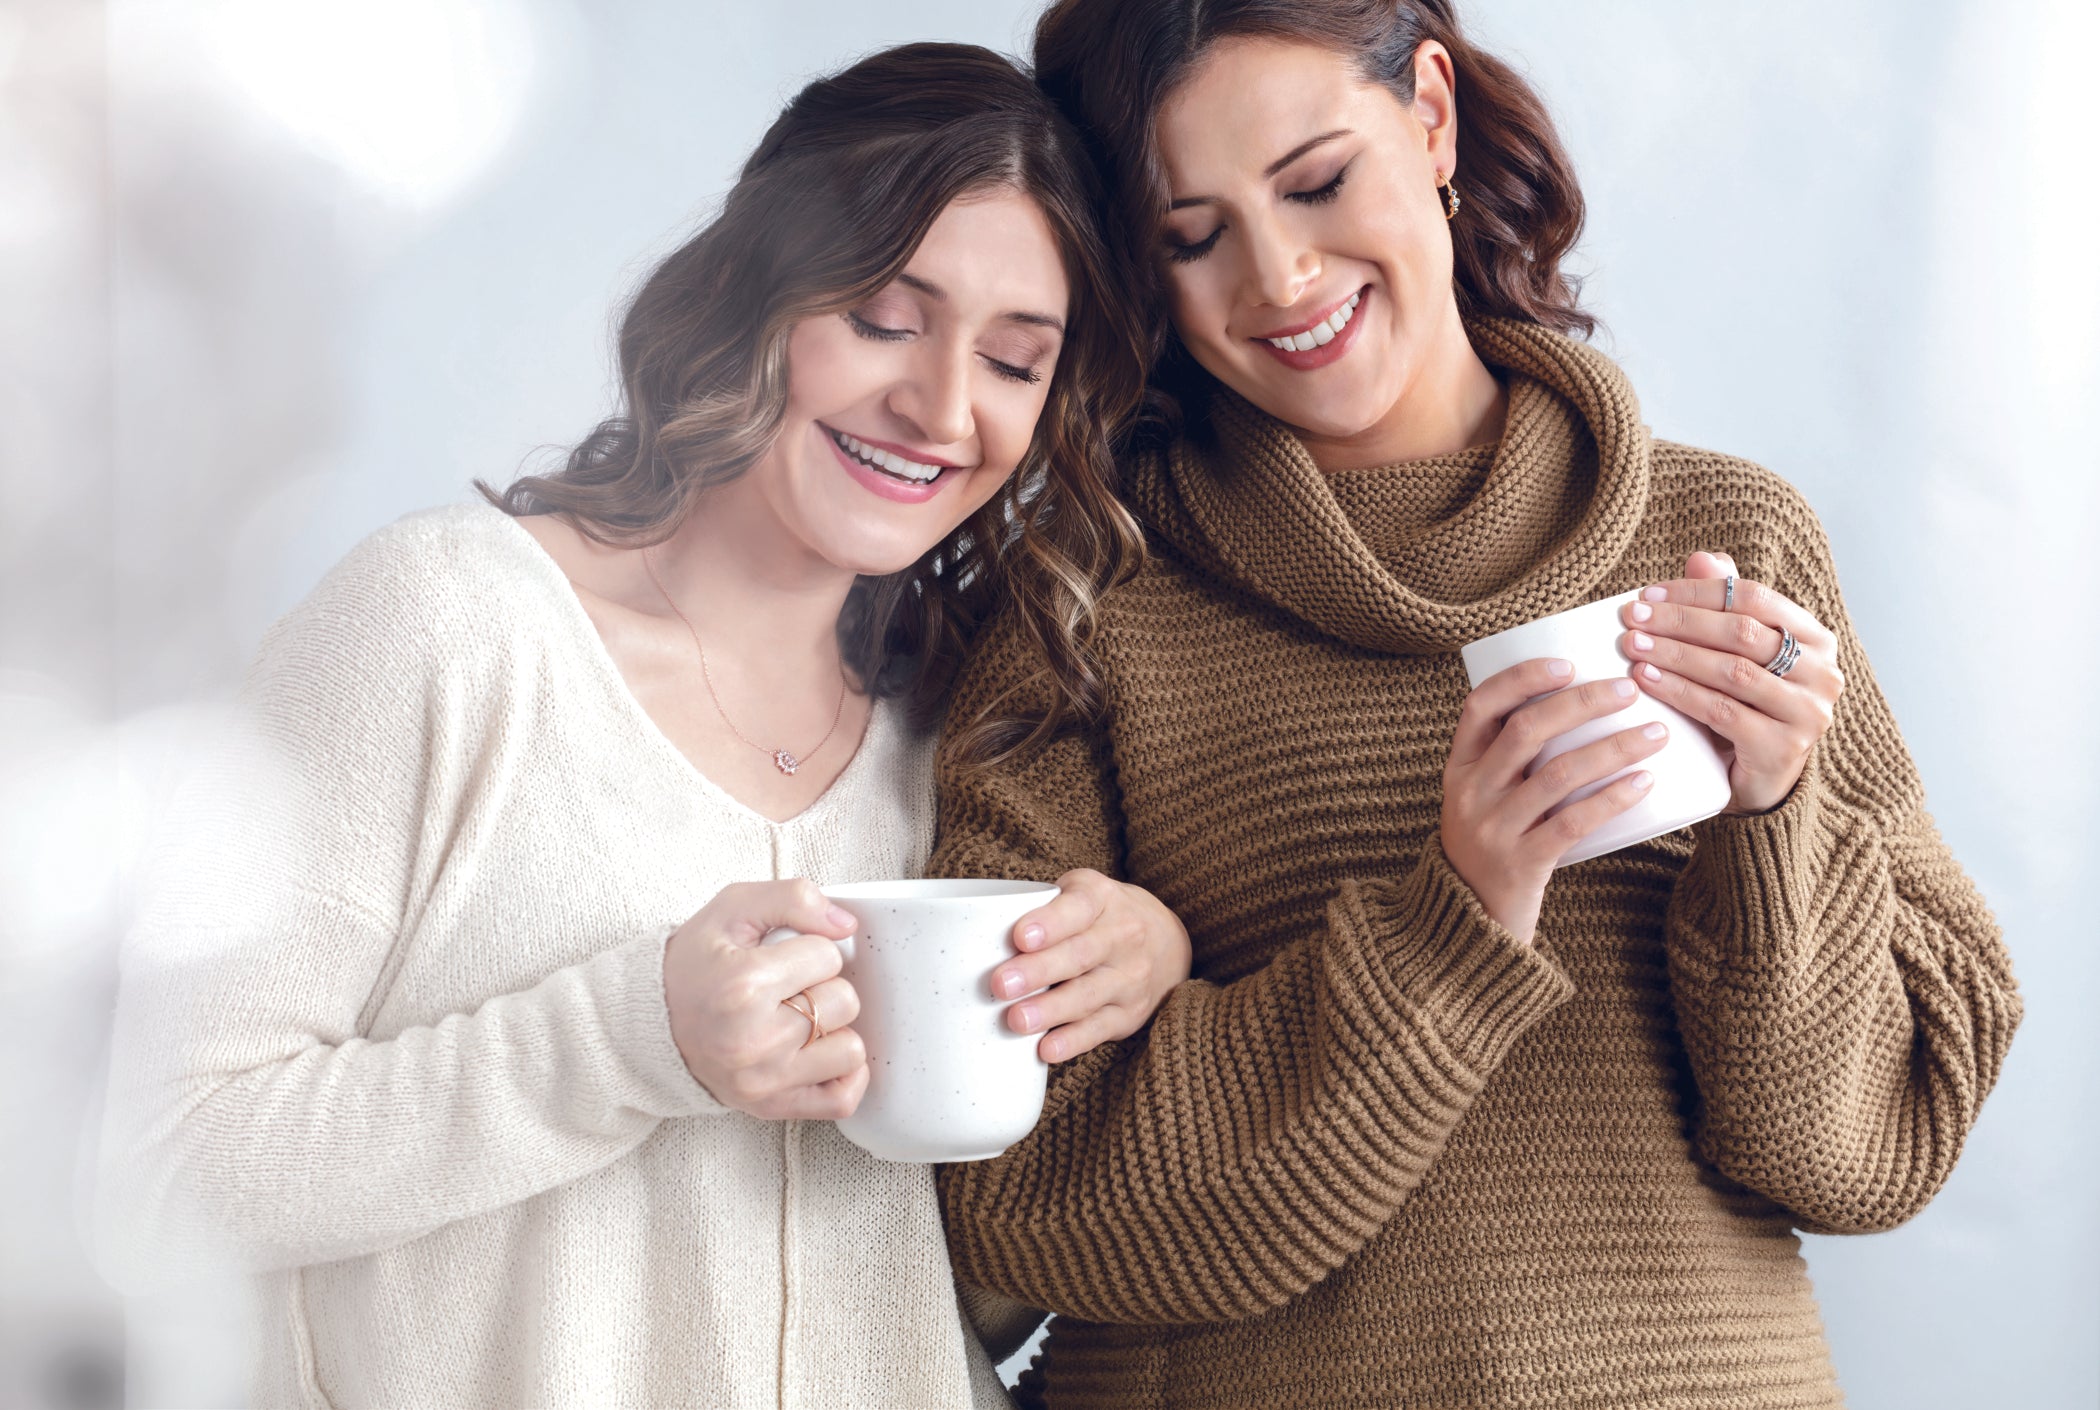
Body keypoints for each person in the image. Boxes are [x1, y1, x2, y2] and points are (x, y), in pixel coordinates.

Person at [929, 3, 2022, 1406]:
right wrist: (1458, 910)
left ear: (1430, 114)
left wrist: (1772, 822)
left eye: (1317, 183)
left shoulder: (1732, 538)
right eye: (1189, 236)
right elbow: (1025, 1199)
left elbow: (1867, 1151)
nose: (1281, 275)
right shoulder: (1085, 597)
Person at [93, 43, 1188, 1409]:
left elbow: (969, 1290)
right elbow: (147, 1163)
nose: (944, 406)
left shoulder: (959, 735)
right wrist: (631, 1037)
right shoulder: (446, 625)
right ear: (758, 295)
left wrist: (1122, 1009)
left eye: (1016, 362)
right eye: (887, 319)